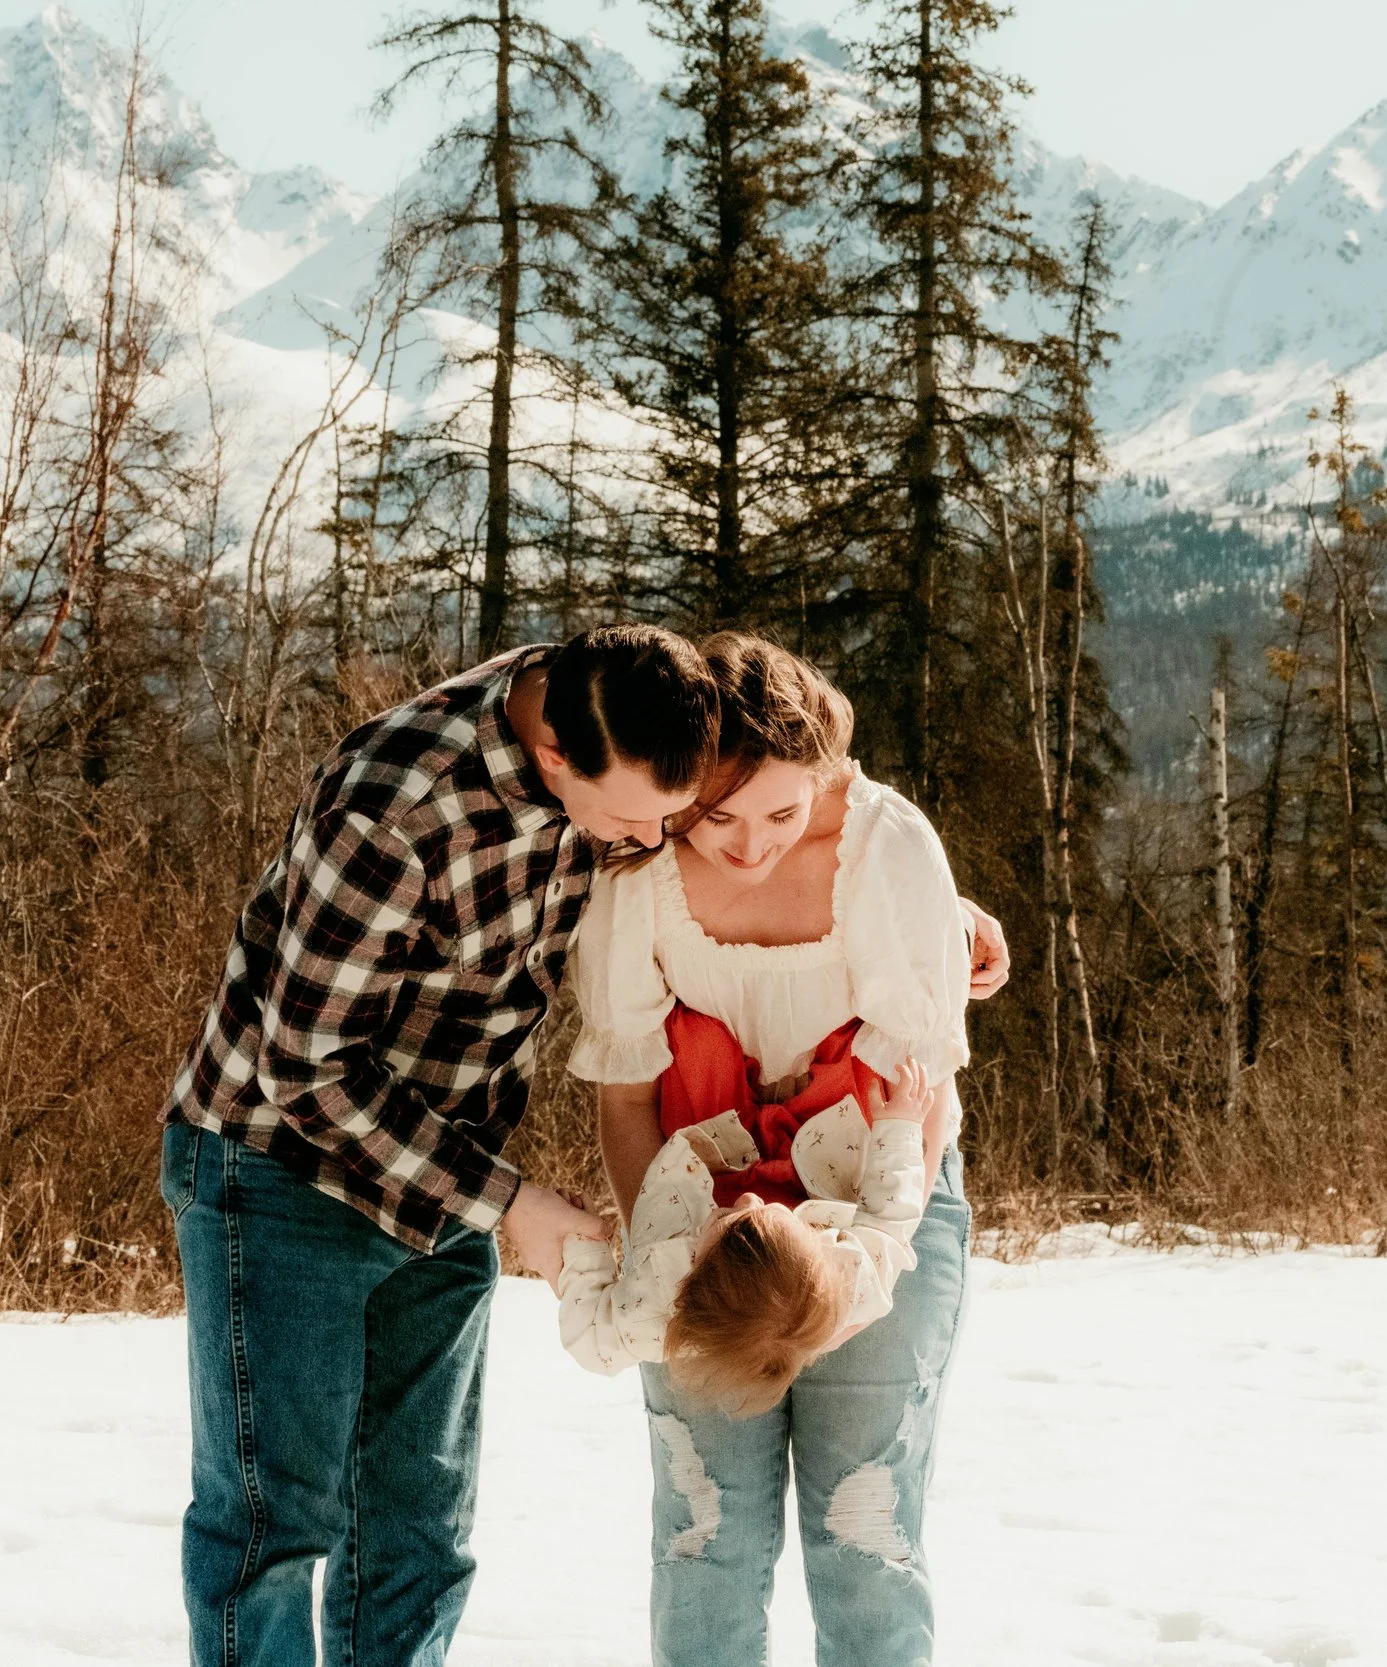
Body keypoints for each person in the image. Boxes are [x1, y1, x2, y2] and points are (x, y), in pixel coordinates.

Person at [158, 624, 1010, 1667]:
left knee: (417, 1535)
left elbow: (807, 790)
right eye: (651, 823)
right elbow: (305, 1070)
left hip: (445, 1168)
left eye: (673, 818)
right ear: (558, 761)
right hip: (281, 1168)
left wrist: (935, 911)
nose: (657, 845)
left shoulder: (624, 714)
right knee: (272, 1527)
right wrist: (519, 1206)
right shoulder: (395, 808)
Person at [569, 632, 977, 1667]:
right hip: (697, 1211)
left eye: (783, 814)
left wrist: (860, 1248)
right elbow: (626, 1094)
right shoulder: (641, 868)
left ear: (830, 779)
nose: (750, 846)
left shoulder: (886, 849)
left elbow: (913, 1091)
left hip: (877, 1187)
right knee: (705, 1530)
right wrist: (671, 1241)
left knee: (863, 1528)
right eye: (718, 817)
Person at [554, 1055, 941, 1413]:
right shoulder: (853, 1276)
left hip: (689, 1194)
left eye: (725, 1220)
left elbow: (590, 1342)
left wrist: (586, 1247)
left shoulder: (652, 1308)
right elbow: (891, 1221)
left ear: (691, 1273)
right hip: (824, 1190)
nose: (749, 1199)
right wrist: (901, 1126)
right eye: (772, 1214)